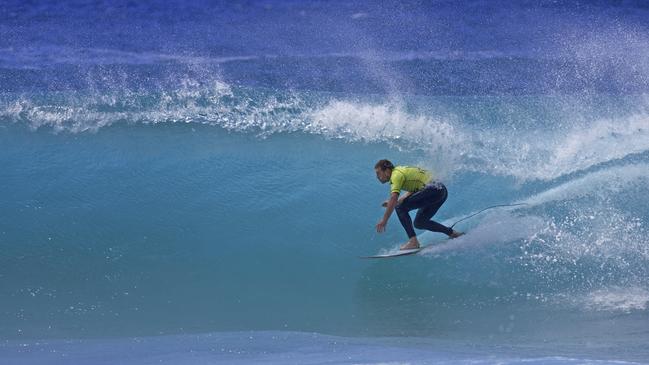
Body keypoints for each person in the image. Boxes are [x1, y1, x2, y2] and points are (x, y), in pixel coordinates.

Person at [374, 159, 462, 250]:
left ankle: (413, 241)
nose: (377, 177)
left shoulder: (395, 176)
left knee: (400, 207)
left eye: (378, 173)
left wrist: (384, 220)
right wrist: (398, 201)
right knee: (419, 223)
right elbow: (417, 186)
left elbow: (393, 198)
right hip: (441, 191)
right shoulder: (401, 170)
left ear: (387, 171)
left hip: (433, 190)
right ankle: (452, 233)